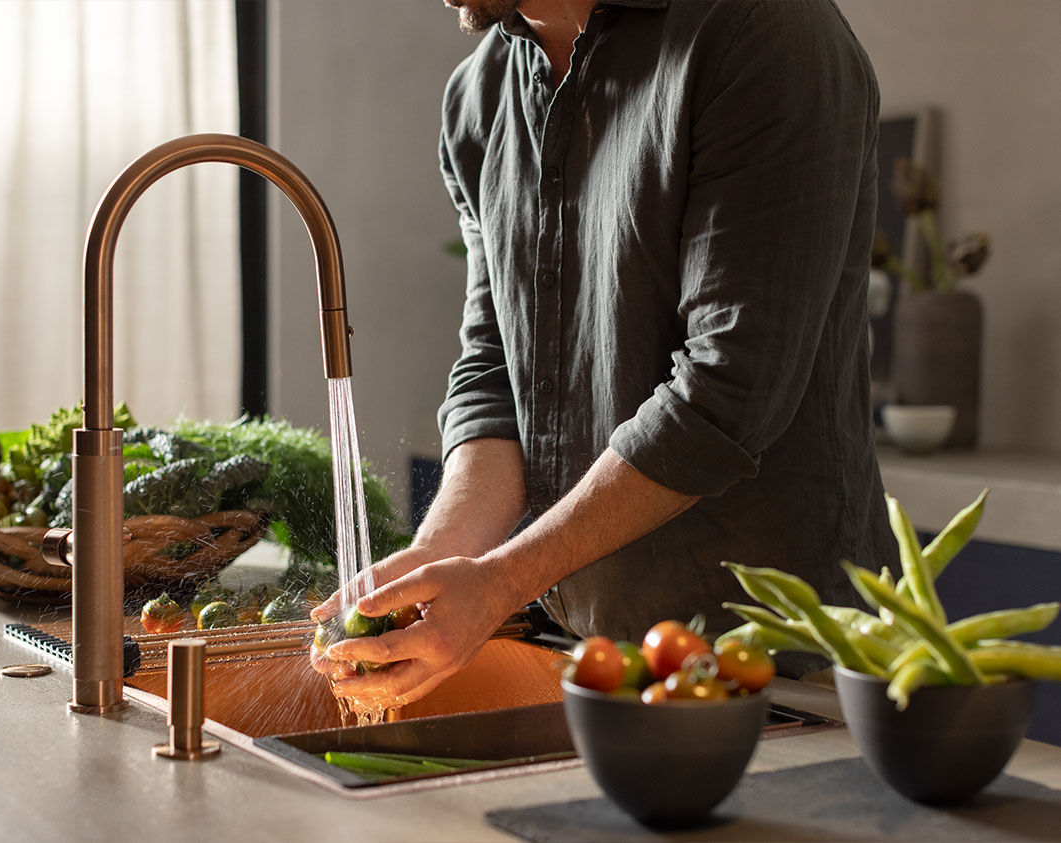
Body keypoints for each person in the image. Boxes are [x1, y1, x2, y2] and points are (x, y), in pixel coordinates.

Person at [312, 0, 897, 706]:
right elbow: (496, 373)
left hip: (784, 670)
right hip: (593, 661)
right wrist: (440, 561)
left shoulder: (764, 35)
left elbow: (727, 387)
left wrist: (499, 582)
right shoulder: (481, 95)